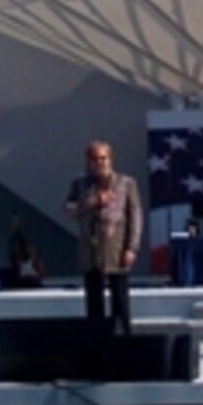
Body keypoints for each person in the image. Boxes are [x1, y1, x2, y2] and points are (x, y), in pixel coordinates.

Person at [64, 141, 142, 335]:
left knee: (120, 299)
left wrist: (131, 247)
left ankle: (124, 338)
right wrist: (92, 202)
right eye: (94, 159)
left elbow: (136, 216)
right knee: (94, 299)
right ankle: (97, 340)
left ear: (110, 159)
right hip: (90, 250)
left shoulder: (126, 183)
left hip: (116, 246)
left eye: (103, 158)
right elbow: (69, 209)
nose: (99, 163)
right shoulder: (80, 184)